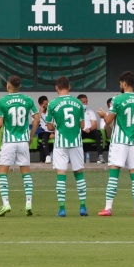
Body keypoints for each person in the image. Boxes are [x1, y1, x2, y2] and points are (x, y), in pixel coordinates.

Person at [97, 71, 134, 216]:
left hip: (119, 140)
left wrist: (103, 115)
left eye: (120, 83)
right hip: (133, 141)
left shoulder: (116, 100)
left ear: (124, 83)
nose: (120, 86)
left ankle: (108, 208)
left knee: (114, 173)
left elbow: (109, 120)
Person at [0, 75, 39, 217]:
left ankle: (6, 203)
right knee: (25, 171)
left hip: (9, 141)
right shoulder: (28, 100)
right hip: (23, 142)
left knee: (2, 171)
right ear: (19, 86)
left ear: (8, 86)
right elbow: (37, 118)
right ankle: (28, 203)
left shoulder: (1, 101)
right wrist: (31, 135)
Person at [46, 76, 87, 217]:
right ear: (69, 87)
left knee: (61, 174)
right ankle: (82, 207)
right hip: (76, 142)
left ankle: (62, 209)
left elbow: (49, 125)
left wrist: (57, 125)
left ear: (56, 88)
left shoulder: (52, 104)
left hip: (60, 143)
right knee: (79, 173)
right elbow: (82, 125)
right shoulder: (78, 103)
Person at [77, 94, 104, 163]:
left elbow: (94, 125)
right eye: (84, 102)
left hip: (89, 131)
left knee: (98, 133)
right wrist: (82, 129)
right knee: (76, 133)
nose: (86, 104)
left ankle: (100, 156)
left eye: (86, 102)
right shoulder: (75, 112)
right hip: (80, 131)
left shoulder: (90, 111)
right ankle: (77, 158)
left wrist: (89, 129)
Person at [35, 95, 53, 163]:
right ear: (41, 105)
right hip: (43, 132)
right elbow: (34, 123)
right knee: (44, 136)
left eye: (48, 104)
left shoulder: (51, 112)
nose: (47, 105)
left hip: (51, 130)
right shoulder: (37, 113)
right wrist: (40, 113)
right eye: (45, 104)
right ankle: (48, 156)